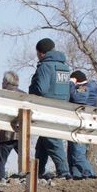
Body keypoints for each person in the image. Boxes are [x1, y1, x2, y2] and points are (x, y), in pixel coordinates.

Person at [27, 38, 71, 178]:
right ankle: (37, 172)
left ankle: (64, 171)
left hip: (47, 107)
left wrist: (31, 89)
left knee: (52, 139)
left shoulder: (45, 66)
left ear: (41, 53)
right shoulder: (63, 67)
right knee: (43, 142)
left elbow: (41, 89)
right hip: (61, 106)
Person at [67, 70, 97, 178]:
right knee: (73, 153)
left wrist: (71, 84)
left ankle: (90, 175)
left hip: (80, 125)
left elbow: (78, 98)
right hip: (84, 124)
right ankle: (77, 176)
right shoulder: (92, 87)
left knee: (77, 154)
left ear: (76, 80)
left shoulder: (84, 88)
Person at [0, 71, 21, 181]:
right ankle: (32, 178)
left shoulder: (2, 95)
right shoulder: (23, 95)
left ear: (5, 82)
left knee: (1, 162)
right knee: (26, 159)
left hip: (5, 135)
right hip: (21, 133)